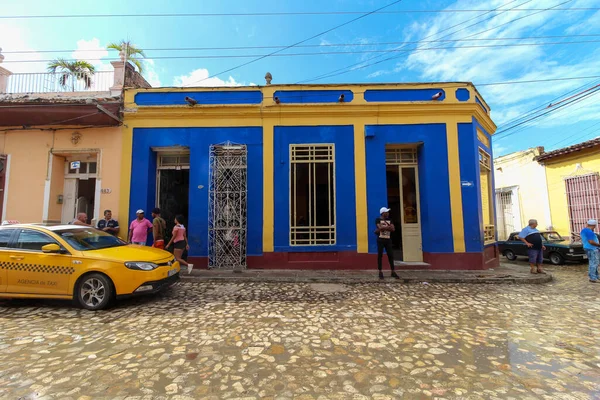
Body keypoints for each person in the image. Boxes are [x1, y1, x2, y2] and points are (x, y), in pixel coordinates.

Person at [375, 207, 400, 280]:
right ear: (383, 213)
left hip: (388, 240)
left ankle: (393, 271)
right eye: (386, 212)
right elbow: (380, 228)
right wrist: (388, 227)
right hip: (380, 239)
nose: (388, 213)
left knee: (390, 255)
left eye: (388, 212)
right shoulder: (378, 219)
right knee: (380, 255)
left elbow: (393, 229)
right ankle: (380, 271)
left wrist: (383, 227)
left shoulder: (390, 220)